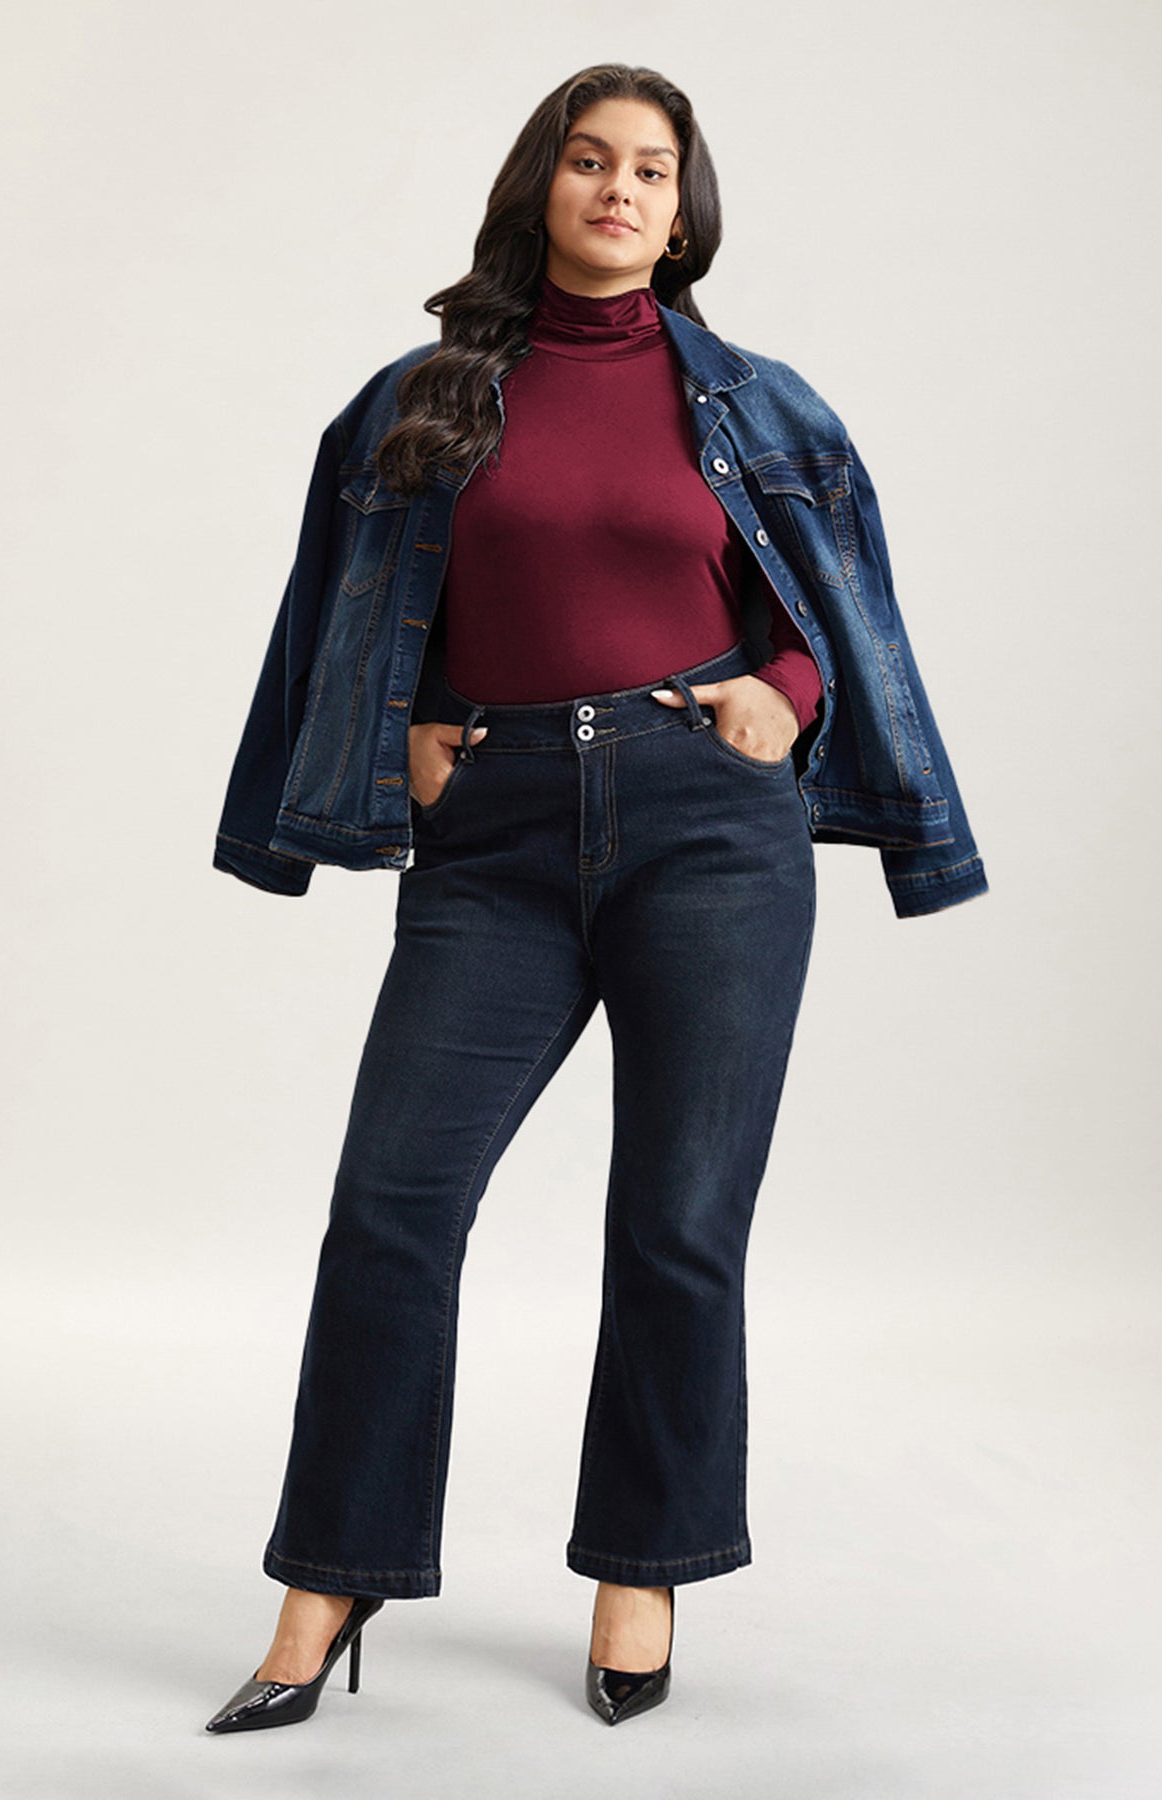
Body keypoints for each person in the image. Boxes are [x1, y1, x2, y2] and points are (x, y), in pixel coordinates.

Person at [205, 61, 987, 1735]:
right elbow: (340, 603)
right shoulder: (420, 397)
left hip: (706, 828)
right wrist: (407, 726)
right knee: (392, 1205)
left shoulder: (761, 406)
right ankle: (329, 1577)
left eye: (649, 168)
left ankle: (643, 1563)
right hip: (492, 842)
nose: (619, 188)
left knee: (676, 1221)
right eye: (587, 159)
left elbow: (837, 604)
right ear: (539, 186)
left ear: (682, 214)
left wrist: (786, 692)